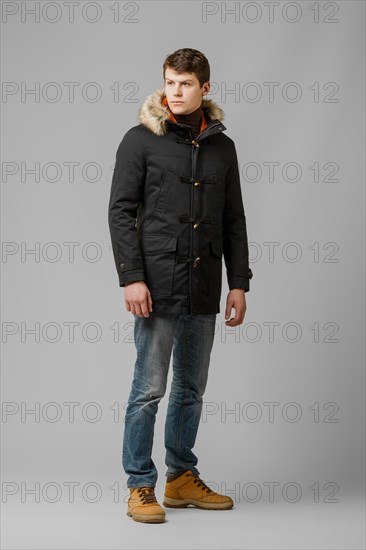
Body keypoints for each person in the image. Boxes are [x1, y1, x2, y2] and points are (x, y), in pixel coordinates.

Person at [108, 48, 253, 524]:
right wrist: (131, 277)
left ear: (205, 88)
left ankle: (181, 478)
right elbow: (120, 212)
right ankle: (139, 485)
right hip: (156, 283)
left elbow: (234, 218)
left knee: (191, 388)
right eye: (170, 82)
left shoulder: (222, 148)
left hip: (205, 284)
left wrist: (239, 282)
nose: (176, 91)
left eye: (186, 84)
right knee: (148, 389)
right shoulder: (140, 140)